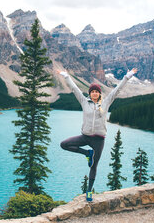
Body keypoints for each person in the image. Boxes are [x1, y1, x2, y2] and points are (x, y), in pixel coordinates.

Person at [59, 68, 138, 202]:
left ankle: (89, 192)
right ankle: (87, 153)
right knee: (64, 144)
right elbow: (74, 89)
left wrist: (127, 76)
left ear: (99, 94)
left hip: (98, 140)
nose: (94, 93)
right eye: (92, 92)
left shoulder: (106, 103)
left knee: (94, 166)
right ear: (90, 94)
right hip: (85, 136)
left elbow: (116, 90)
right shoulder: (84, 102)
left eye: (96, 92)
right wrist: (66, 76)